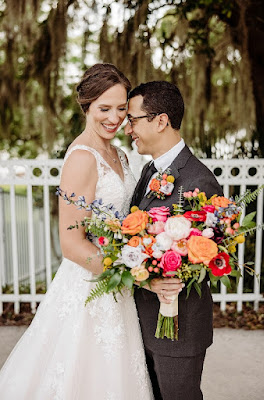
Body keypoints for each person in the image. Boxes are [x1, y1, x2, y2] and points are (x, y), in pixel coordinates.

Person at [0, 64, 154, 399]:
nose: (114, 118)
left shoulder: (120, 154)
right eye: (104, 109)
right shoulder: (82, 158)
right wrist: (130, 272)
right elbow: (71, 243)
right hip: (91, 284)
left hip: (119, 281)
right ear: (86, 106)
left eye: (121, 109)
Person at [125, 81, 224, 400]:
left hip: (178, 330)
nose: (128, 129)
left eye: (133, 119)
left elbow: (209, 256)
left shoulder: (198, 179)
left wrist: (162, 273)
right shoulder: (149, 172)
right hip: (144, 322)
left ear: (160, 120)